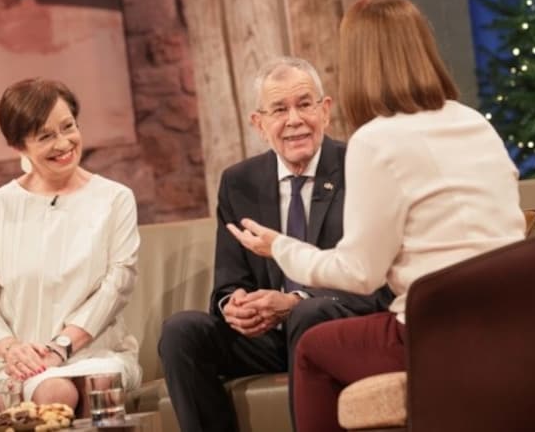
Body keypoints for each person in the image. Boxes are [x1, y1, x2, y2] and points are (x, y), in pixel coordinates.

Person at [228, 0, 527, 432]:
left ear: (358, 64)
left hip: (439, 330)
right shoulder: (473, 121)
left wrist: (280, 247)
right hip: (515, 317)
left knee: (312, 348)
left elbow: (360, 272)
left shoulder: (375, 140)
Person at [158, 56, 393, 432]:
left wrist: (294, 303)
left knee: (306, 314)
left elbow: (378, 283)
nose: (294, 120)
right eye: (279, 110)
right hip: (269, 337)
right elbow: (228, 280)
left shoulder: (359, 165)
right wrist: (234, 305)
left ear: (326, 110)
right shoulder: (239, 182)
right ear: (259, 123)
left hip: (338, 322)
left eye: (304, 104)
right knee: (180, 332)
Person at [0, 78, 142, 411]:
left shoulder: (115, 198)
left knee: (99, 385)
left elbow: (118, 284)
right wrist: (11, 348)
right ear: (18, 146)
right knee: (56, 392)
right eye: (45, 136)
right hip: (17, 360)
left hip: (94, 350)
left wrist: (61, 347)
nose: (64, 143)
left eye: (68, 127)